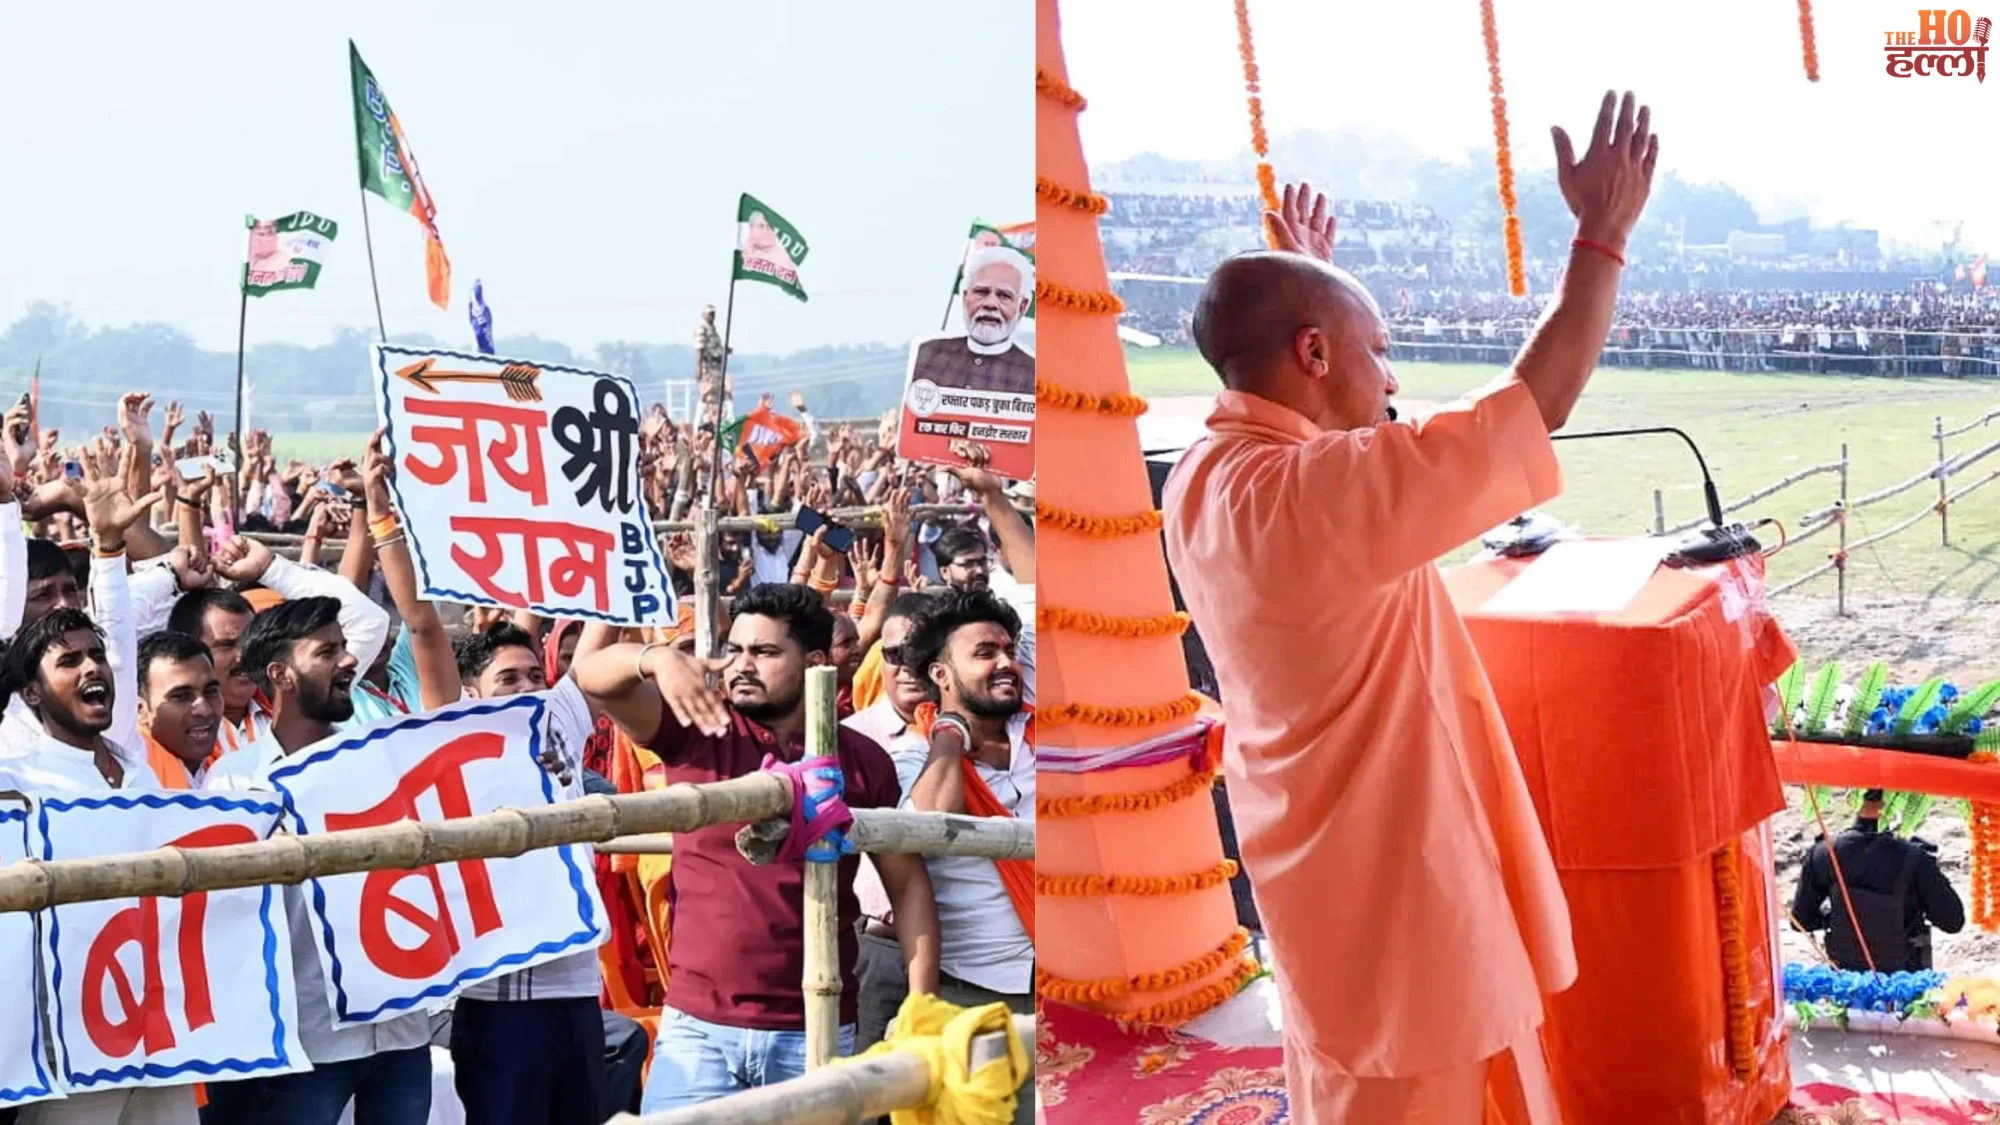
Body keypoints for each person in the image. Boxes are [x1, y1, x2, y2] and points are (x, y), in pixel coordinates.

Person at [1160, 91, 1659, 1123]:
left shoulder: (1208, 469)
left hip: (1325, 857)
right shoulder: (1308, 494)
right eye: (1372, 347)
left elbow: (1356, 416)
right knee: (1405, 1081)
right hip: (1394, 880)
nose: (1388, 378)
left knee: (1354, 1066)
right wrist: (1601, 240)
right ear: (1310, 356)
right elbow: (1535, 406)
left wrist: (1316, 285)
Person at [575, 582, 942, 1112]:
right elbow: (593, 678)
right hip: (699, 1030)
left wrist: (923, 1009)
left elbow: (907, 888)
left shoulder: (864, 761)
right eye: (737, 649)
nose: (742, 665)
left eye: (764, 652)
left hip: (818, 1025)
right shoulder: (698, 726)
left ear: (816, 663)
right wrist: (655, 660)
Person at [198, 597, 434, 1125]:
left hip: (401, 1027)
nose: (349, 660)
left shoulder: (383, 761)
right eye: (328, 651)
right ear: (281, 674)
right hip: (306, 1038)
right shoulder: (236, 783)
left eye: (345, 648)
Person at [0, 612, 196, 1125]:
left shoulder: (141, 775)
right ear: (33, 694)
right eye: (69, 660)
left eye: (96, 655)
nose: (93, 668)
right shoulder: (15, 785)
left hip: (158, 1030)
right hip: (68, 1042)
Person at [901, 589, 1035, 1125]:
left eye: (1008, 649)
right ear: (942, 675)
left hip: (1077, 981)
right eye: (984, 653)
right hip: (979, 992)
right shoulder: (912, 750)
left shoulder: (1053, 735)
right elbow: (933, 822)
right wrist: (950, 734)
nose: (1005, 663)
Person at [844, 591, 936, 1052]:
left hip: (968, 953)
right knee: (868, 1096)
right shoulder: (851, 737)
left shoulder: (982, 734)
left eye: (920, 654)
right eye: (894, 654)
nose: (906, 666)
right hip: (877, 950)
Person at [1792, 789, 1966, 972]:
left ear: (1851, 799)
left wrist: (1835, 918)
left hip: (1844, 983)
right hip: (1905, 985)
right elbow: (1953, 922)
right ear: (1903, 806)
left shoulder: (1823, 853)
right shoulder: (1915, 858)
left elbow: (1801, 920)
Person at [909, 247, 1035, 395]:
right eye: (981, 292)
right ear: (965, 298)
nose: (991, 304)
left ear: (1022, 307)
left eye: (1004, 296)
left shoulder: (1034, 372)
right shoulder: (930, 353)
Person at [136, 630, 224, 790]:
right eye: (182, 696)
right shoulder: (133, 765)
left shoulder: (234, 768)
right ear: (140, 710)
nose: (204, 710)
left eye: (211, 692)